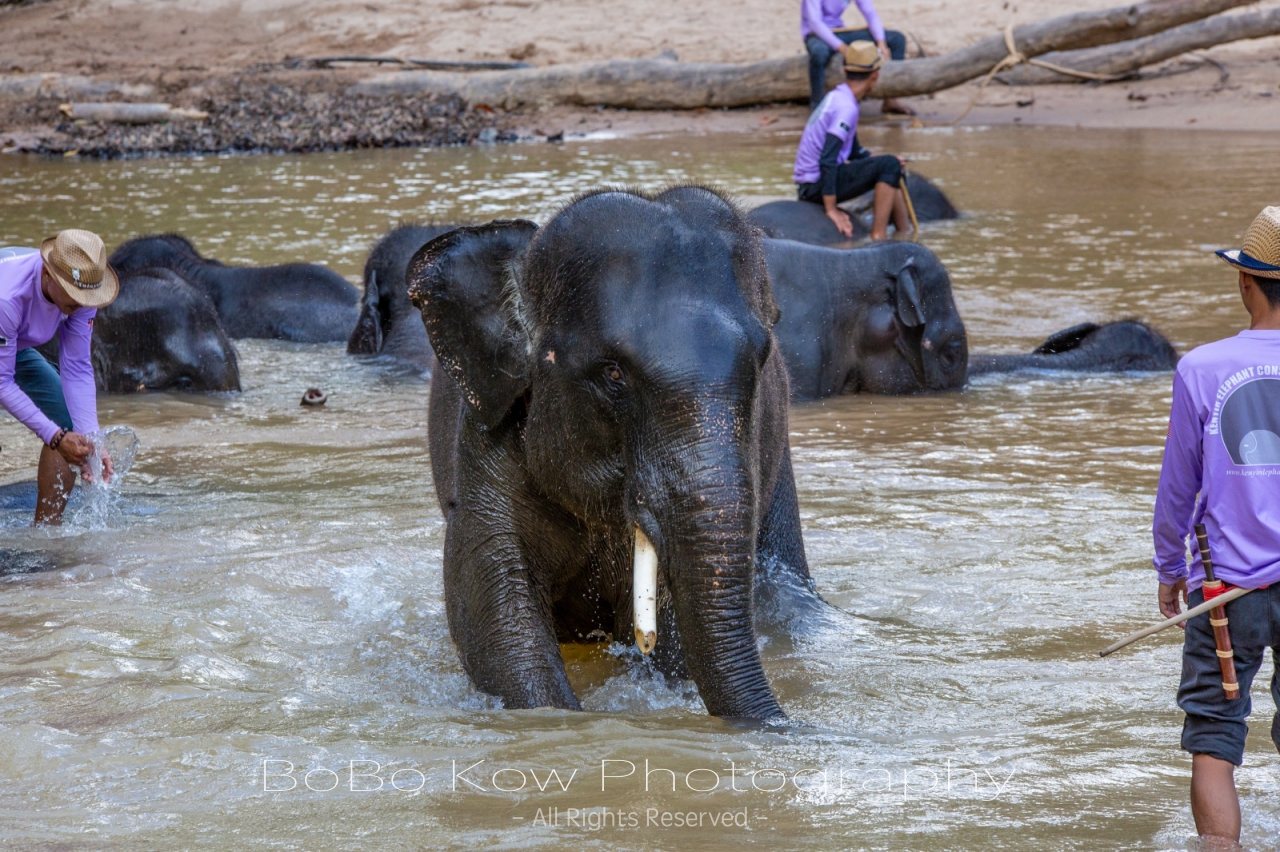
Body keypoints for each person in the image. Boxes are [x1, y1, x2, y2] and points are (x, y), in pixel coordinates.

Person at [1152, 205, 1280, 849]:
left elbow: (1179, 486)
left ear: (1246, 283)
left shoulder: (1201, 368)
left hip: (1226, 591)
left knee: (1214, 736)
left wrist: (1169, 569)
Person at [0, 230, 119, 525]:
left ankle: (46, 537)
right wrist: (54, 437)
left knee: (71, 428)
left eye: (87, 297)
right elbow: (1, 383)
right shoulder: (8, 298)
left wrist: (92, 441)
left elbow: (77, 366)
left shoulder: (83, 286)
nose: (82, 304)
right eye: (75, 296)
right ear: (47, 274)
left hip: (13, 348)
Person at [793, 41, 911, 242]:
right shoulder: (846, 108)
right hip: (815, 186)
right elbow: (827, 160)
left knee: (891, 165)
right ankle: (878, 237)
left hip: (811, 182)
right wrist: (831, 209)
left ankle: (905, 234)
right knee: (889, 165)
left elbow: (854, 150)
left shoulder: (839, 97)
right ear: (875, 76)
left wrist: (876, 160)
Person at [801, 0, 913, 115]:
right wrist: (841, 47)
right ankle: (817, 105)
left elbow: (870, 13)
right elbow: (814, 22)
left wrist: (881, 42)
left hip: (841, 30)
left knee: (897, 39)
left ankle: (891, 99)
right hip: (816, 34)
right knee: (818, 53)